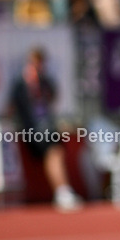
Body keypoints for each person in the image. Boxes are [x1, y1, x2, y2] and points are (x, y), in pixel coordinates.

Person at [9, 47, 82, 210]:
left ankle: (63, 191)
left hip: (47, 127)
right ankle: (62, 191)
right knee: (54, 152)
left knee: (56, 151)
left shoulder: (45, 81)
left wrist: (39, 86)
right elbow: (11, 108)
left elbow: (53, 97)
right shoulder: (20, 84)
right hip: (33, 130)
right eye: (34, 63)